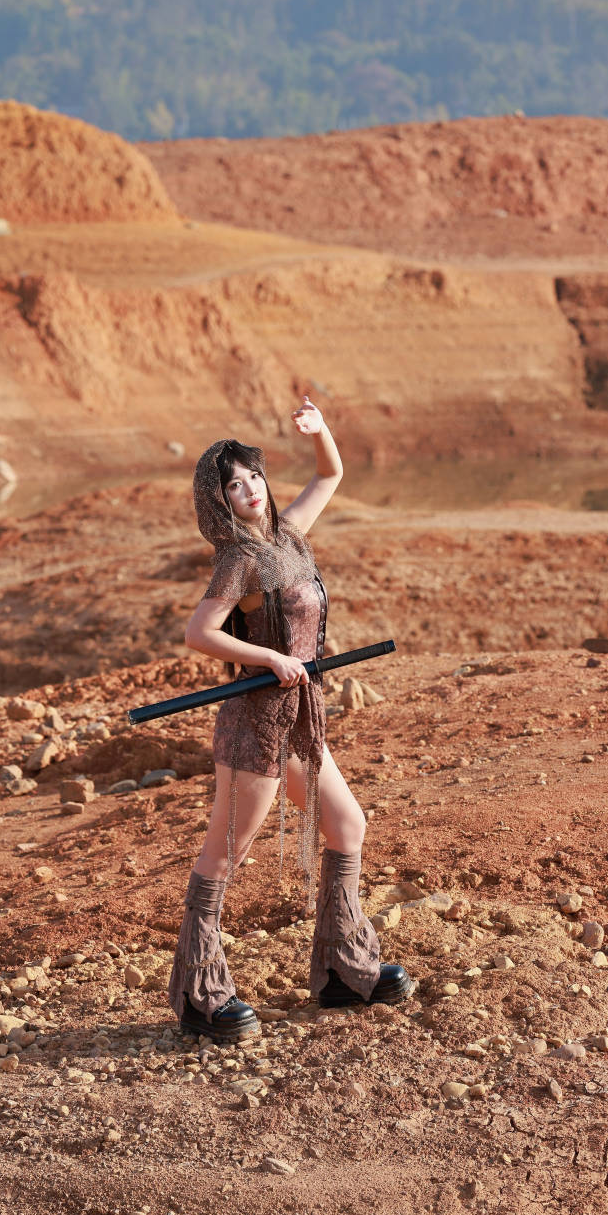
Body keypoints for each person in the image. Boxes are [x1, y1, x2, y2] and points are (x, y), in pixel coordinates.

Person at [167, 394, 417, 1042]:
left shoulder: (289, 535)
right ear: (219, 502)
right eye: (234, 485)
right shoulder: (239, 560)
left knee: (346, 824)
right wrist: (269, 657)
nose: (250, 489)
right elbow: (199, 632)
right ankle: (198, 997)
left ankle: (343, 970)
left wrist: (320, 429)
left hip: (302, 718)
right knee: (227, 854)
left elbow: (330, 474)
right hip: (256, 724)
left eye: (254, 476)